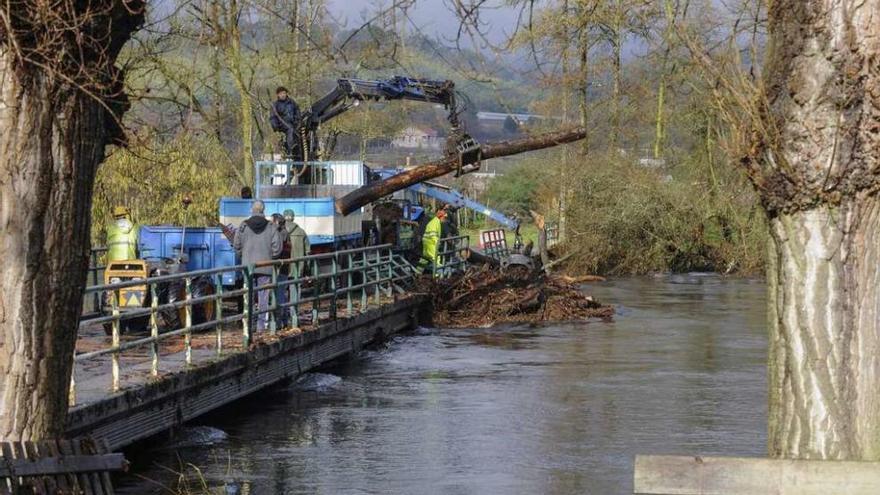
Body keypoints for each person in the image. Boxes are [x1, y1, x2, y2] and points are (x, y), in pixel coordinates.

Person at [233, 200, 282, 331]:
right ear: (263, 210)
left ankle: (248, 325)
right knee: (263, 297)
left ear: (252, 210)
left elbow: (236, 245)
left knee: (247, 295)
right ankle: (261, 327)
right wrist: (270, 256)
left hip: (248, 266)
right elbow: (277, 248)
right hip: (265, 266)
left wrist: (243, 256)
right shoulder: (271, 226)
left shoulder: (243, 226)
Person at [269, 86, 301, 159]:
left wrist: (297, 120)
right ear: (278, 95)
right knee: (290, 130)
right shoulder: (275, 105)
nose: (283, 95)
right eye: (281, 93)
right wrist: (275, 127)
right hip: (282, 125)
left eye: (284, 93)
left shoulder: (292, 102)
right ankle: (291, 148)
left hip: (293, 124)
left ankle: (297, 150)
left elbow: (297, 111)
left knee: (298, 132)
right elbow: (272, 117)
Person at [419, 209, 447, 275]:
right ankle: (437, 276)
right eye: (444, 217)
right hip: (431, 243)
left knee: (425, 258)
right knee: (436, 258)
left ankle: (417, 272)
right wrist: (438, 242)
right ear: (441, 216)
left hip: (426, 242)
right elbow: (433, 234)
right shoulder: (436, 222)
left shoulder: (434, 221)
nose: (445, 219)